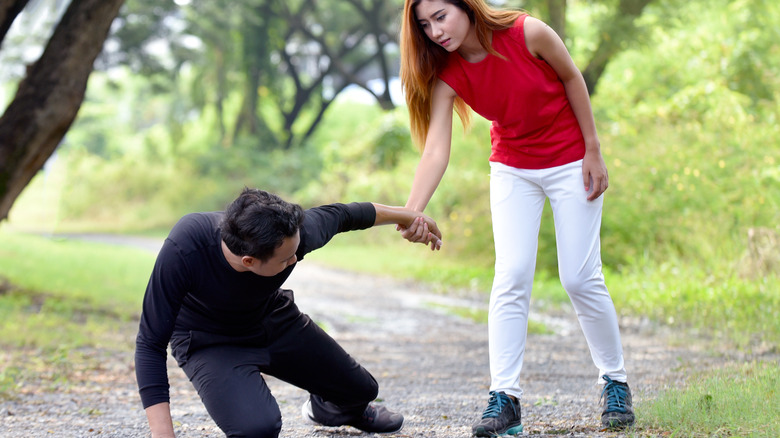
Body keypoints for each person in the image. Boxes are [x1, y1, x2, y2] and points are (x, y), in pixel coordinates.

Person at [397, 0, 634, 436]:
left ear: (466, 7)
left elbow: (572, 78)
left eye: (441, 16)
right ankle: (504, 399)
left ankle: (614, 381)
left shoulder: (529, 32)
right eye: (425, 24)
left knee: (579, 278)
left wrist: (593, 150)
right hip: (512, 167)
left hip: (570, 161)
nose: (435, 31)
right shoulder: (447, 74)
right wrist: (413, 211)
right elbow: (435, 150)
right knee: (511, 275)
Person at [135, 188, 443, 438]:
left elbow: (349, 214)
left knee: (363, 390)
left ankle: (329, 410)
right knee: (258, 428)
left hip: (272, 319)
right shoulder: (185, 248)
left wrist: (410, 216)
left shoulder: (290, 233)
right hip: (210, 342)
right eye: (286, 260)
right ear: (249, 262)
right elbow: (149, 344)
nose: (296, 258)